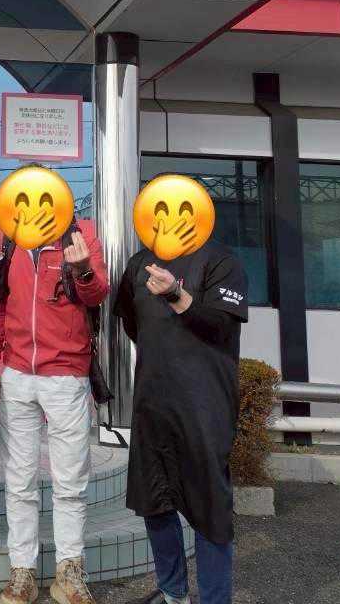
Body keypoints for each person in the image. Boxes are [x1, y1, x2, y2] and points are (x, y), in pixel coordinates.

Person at [113, 229, 248, 604]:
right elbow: (132, 323)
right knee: (154, 500)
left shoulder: (221, 260)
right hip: (153, 400)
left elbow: (221, 326)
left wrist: (177, 295)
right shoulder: (140, 263)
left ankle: (214, 598)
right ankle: (172, 592)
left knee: (209, 507)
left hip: (204, 402)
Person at [0, 208, 109, 604]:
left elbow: (98, 293)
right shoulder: (7, 237)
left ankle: (69, 571)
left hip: (67, 374)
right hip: (16, 373)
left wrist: (83, 268)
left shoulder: (81, 233)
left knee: (70, 482)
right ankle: (22, 569)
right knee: (19, 480)